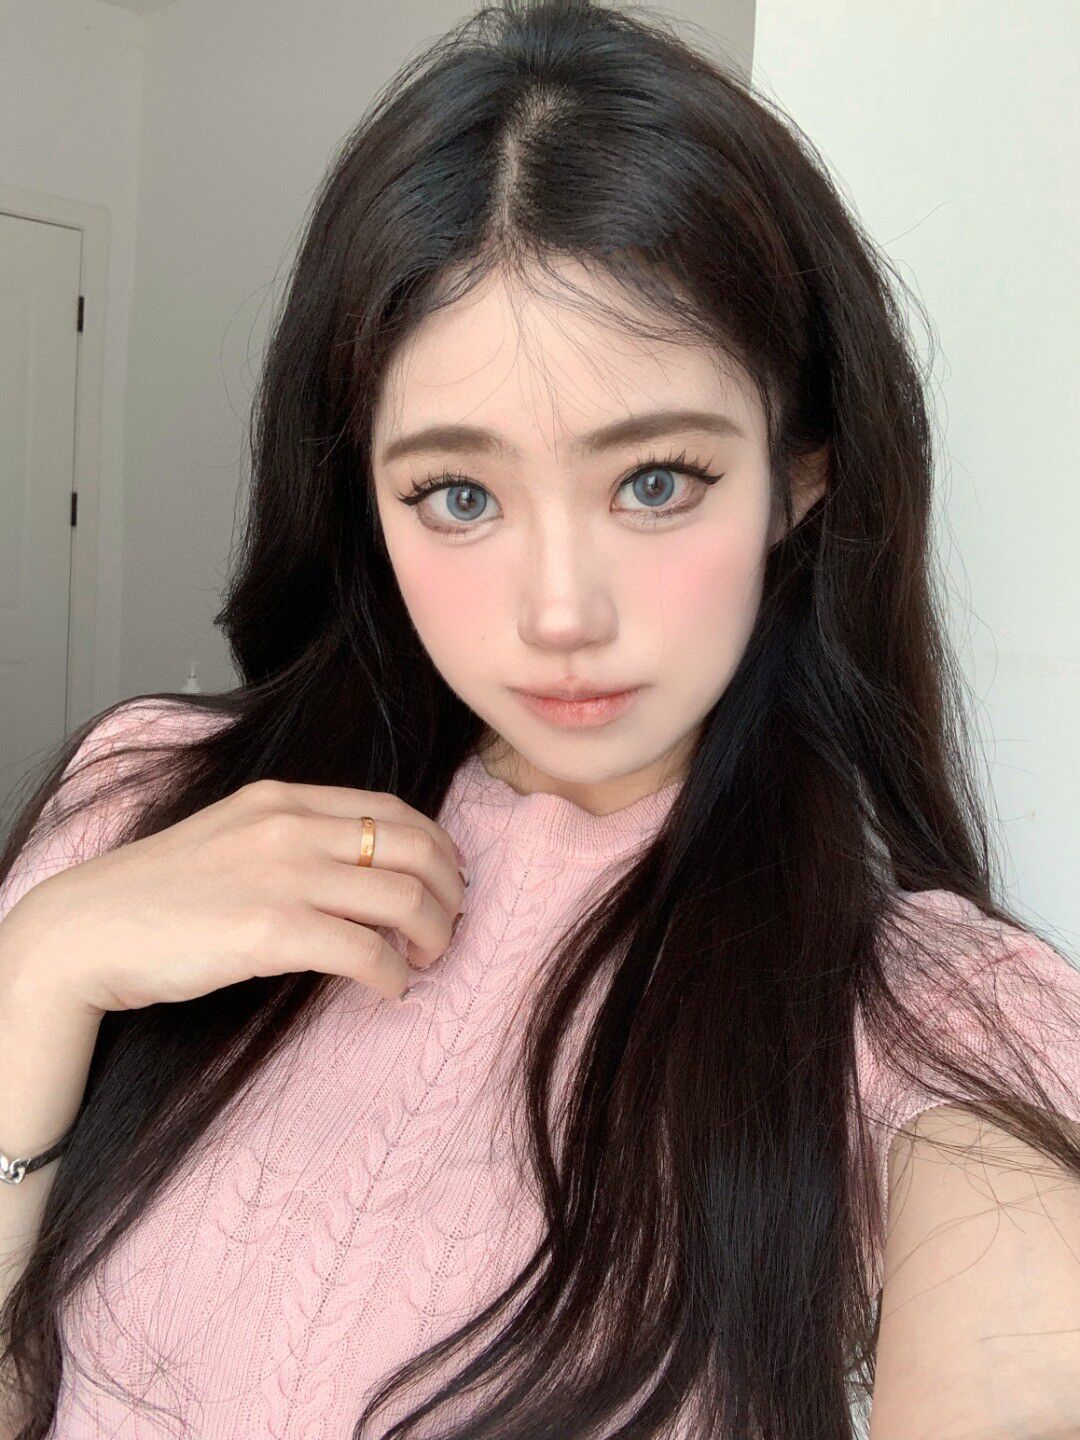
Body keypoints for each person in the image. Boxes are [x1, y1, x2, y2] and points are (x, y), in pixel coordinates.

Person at [2, 1, 1079, 1437]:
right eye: (459, 495)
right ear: (364, 500)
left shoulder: (930, 1016)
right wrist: (36, 975)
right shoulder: (144, 808)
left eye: (655, 482)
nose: (559, 612)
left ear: (799, 478)